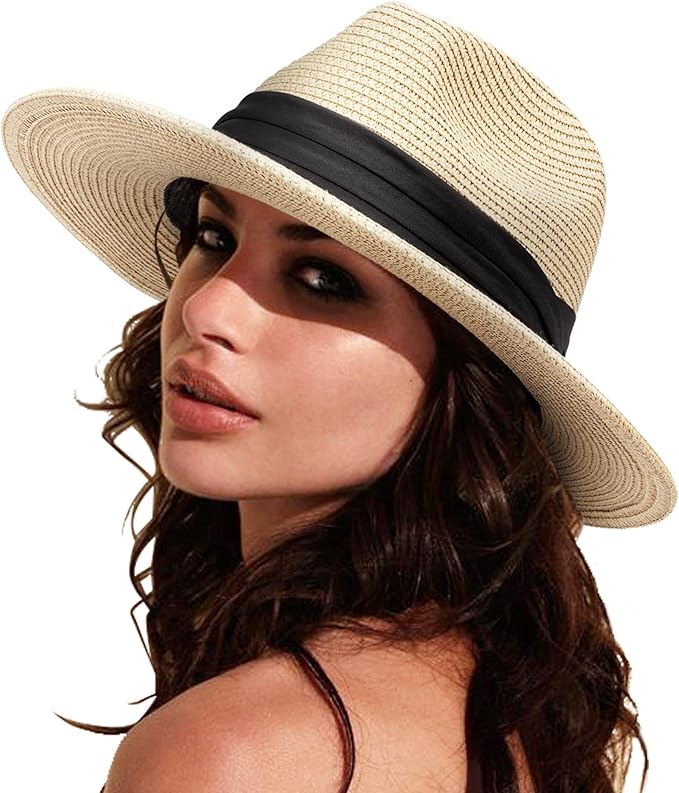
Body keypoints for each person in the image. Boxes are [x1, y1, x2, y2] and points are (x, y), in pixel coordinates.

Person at [2, 2, 675, 792]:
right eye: (214, 238)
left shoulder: (229, 753)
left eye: (324, 279)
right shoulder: (529, 723)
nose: (205, 308)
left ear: (464, 382)